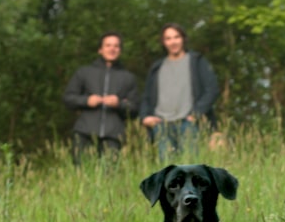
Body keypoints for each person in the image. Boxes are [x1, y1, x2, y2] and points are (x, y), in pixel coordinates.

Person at [139, 23, 219, 160]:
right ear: (163, 42)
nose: (173, 42)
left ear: (183, 39)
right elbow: (146, 96)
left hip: (188, 123)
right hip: (161, 125)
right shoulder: (157, 67)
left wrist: (197, 113)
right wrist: (144, 117)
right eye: (168, 38)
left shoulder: (196, 61)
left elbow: (212, 89)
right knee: (168, 170)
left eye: (176, 37)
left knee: (191, 166)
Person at [63, 31, 139, 165]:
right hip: (84, 133)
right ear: (100, 49)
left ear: (120, 50)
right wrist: (86, 101)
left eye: (116, 46)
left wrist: (119, 104)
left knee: (109, 178)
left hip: (113, 136)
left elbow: (135, 109)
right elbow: (68, 98)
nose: (112, 49)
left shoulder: (128, 77)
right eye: (108, 45)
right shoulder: (84, 72)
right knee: (80, 175)